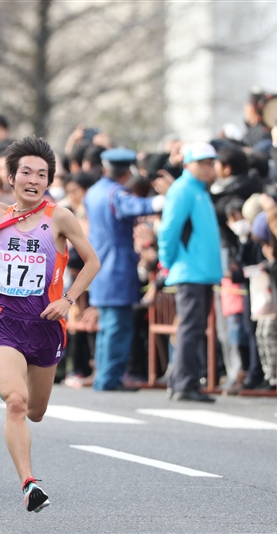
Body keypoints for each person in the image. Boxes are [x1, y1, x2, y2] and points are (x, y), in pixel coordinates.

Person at [0, 120, 99, 512]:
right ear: (11, 178)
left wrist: (70, 299)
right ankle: (29, 484)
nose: (34, 179)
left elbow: (91, 261)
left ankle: (29, 457)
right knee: (15, 402)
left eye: (42, 174)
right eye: (26, 172)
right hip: (6, 323)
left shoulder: (59, 218)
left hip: (46, 326)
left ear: (48, 182)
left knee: (37, 412)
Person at [84, 148, 170, 391]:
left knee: (108, 326)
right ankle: (110, 378)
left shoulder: (94, 192)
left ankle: (104, 376)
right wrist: (166, 197)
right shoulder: (115, 194)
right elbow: (140, 206)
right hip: (117, 265)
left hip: (100, 263)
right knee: (117, 326)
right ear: (128, 172)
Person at [157, 142, 222, 402]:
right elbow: (169, 229)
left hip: (200, 271)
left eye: (211, 162)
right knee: (190, 327)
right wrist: (167, 261)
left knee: (193, 328)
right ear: (188, 165)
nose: (208, 168)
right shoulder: (183, 189)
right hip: (189, 270)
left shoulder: (199, 190)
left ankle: (183, 380)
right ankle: (184, 383)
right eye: (202, 163)